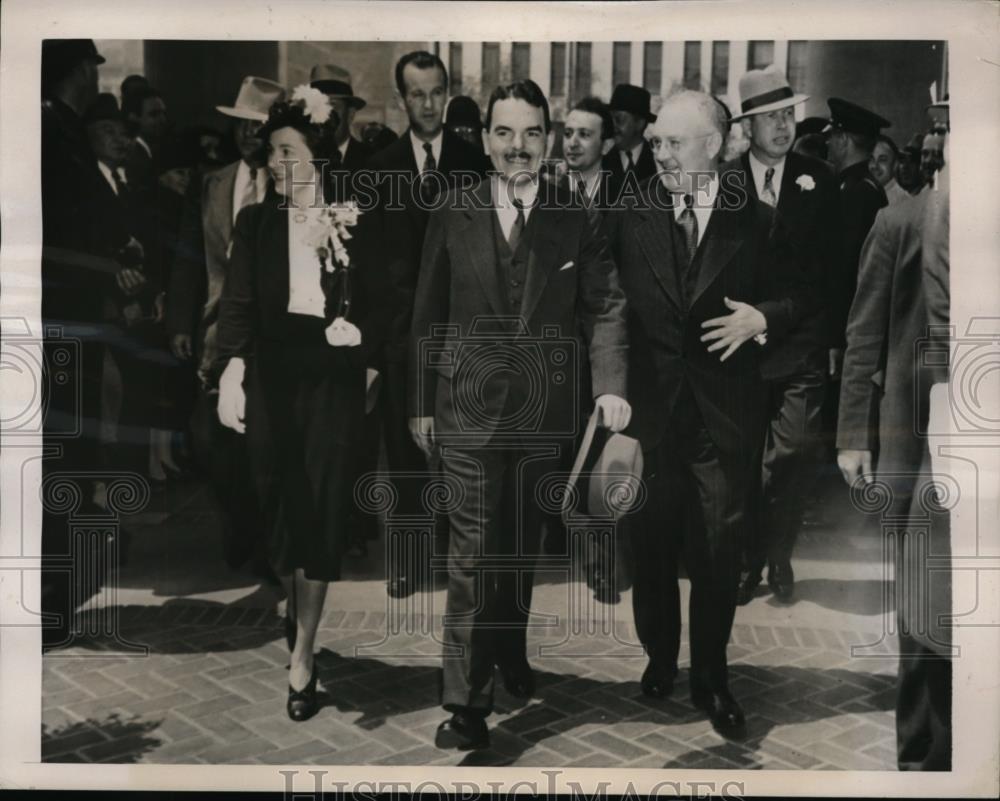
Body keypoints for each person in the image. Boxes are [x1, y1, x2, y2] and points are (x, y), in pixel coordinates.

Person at [408, 79, 629, 750]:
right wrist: (419, 406)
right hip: (467, 413)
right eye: (504, 133)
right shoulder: (453, 209)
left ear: (549, 139)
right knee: (472, 555)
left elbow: (607, 304)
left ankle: (509, 649)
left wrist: (611, 383)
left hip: (541, 415)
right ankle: (467, 702)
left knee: (519, 550)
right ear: (484, 140)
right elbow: (427, 311)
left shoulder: (573, 215)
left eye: (532, 133)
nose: (518, 147)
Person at [607, 89, 803, 736]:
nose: (658, 153)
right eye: (656, 142)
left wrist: (762, 319)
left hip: (724, 417)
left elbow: (805, 294)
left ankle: (712, 677)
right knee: (653, 547)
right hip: (653, 415)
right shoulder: (630, 211)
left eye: (672, 142)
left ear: (714, 147)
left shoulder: (760, 218)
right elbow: (606, 306)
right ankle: (660, 655)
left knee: (719, 550)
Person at [214, 88, 392, 721]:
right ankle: (296, 605)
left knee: (318, 511)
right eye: (274, 155)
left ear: (316, 156)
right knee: (278, 507)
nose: (279, 165)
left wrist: (365, 347)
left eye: (290, 153)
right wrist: (231, 372)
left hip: (331, 381)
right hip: (273, 377)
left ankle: (305, 655)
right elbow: (237, 304)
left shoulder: (354, 215)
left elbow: (384, 296)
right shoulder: (256, 223)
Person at [837, 142, 952, 771]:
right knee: (923, 604)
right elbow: (864, 332)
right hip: (918, 443)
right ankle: (920, 756)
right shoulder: (903, 222)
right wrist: (854, 433)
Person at [366, 50, 491, 597]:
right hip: (400, 337)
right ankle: (410, 559)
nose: (428, 103)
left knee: (461, 451)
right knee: (405, 451)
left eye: (436, 91)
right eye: (415, 93)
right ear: (401, 100)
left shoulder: (474, 163)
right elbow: (367, 265)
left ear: (448, 90)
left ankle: (460, 554)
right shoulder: (378, 170)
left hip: (461, 332)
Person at [724, 67, 833, 605]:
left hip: (797, 345)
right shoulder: (724, 183)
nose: (783, 126)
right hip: (738, 353)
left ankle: (780, 554)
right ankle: (749, 561)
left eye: (787, 115)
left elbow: (826, 279)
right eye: (770, 118)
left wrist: (770, 315)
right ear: (748, 126)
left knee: (789, 455)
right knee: (743, 461)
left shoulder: (820, 179)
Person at [168, 75, 284, 573]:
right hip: (218, 334)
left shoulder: (287, 183)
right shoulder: (213, 183)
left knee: (264, 445)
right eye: (241, 125)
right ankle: (241, 526)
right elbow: (190, 259)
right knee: (214, 445)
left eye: (259, 125)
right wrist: (180, 320)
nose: (248, 135)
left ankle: (262, 542)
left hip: (271, 337)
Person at [822, 98, 890, 449]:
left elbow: (843, 270)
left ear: (844, 140)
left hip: (850, 326)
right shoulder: (862, 188)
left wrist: (835, 337)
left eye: (832, 136)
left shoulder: (855, 193)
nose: (828, 144)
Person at [309, 64, 373, 188]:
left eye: (332, 105)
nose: (324, 115)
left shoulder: (373, 163)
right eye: (316, 105)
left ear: (350, 114)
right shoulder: (296, 160)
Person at [561, 96, 618, 210]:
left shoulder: (621, 198)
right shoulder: (546, 188)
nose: (572, 143)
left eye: (584, 134)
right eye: (568, 133)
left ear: (606, 146)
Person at [601, 83, 658, 188]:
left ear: (639, 123)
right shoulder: (599, 164)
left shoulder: (659, 162)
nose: (613, 125)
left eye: (619, 119)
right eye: (610, 118)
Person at [123, 86, 170, 191]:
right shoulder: (132, 156)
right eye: (154, 114)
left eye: (163, 113)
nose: (163, 120)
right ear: (133, 117)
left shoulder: (150, 150)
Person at [870, 134, 910, 205]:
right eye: (871, 159)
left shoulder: (903, 202)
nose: (874, 166)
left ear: (895, 164)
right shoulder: (865, 195)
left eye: (882, 160)